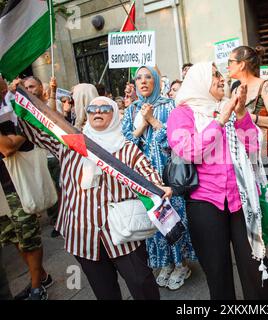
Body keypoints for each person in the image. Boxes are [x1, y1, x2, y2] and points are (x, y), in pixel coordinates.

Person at [19, 95, 172, 300]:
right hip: (83, 236)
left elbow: (147, 172)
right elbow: (36, 133)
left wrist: (159, 187)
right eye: (92, 109)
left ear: (115, 115)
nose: (97, 112)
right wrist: (15, 98)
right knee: (105, 292)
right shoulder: (70, 144)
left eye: (104, 109)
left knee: (142, 285)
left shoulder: (126, 148)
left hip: (122, 234)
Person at [168, 61, 268, 300]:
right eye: (214, 74)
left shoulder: (225, 108)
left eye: (220, 74)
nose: (221, 78)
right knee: (218, 274)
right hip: (205, 203)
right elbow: (188, 151)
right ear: (200, 81)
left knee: (255, 265)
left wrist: (240, 115)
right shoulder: (182, 114)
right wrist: (220, 120)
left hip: (241, 198)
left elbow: (253, 147)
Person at [122, 66, 196, 290]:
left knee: (172, 216)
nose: (143, 81)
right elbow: (124, 144)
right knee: (154, 218)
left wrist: (153, 120)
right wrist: (141, 124)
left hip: (167, 173)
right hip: (144, 174)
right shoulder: (131, 110)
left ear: (156, 81)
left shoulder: (169, 106)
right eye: (138, 78)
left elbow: (176, 141)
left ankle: (181, 264)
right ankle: (164, 264)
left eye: (148, 77)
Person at [227, 45, 268, 279]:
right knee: (254, 206)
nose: (228, 66)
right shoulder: (233, 87)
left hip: (267, 156)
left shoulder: (264, 85)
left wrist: (248, 115)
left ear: (242, 64)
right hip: (244, 157)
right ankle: (260, 252)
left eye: (231, 62)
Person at [0, 76, 53, 300]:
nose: (4, 81)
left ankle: (36, 288)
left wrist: (17, 134)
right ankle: (41, 277)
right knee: (13, 237)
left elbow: (7, 148)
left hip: (16, 185)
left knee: (28, 237)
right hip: (2, 189)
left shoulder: (17, 107)